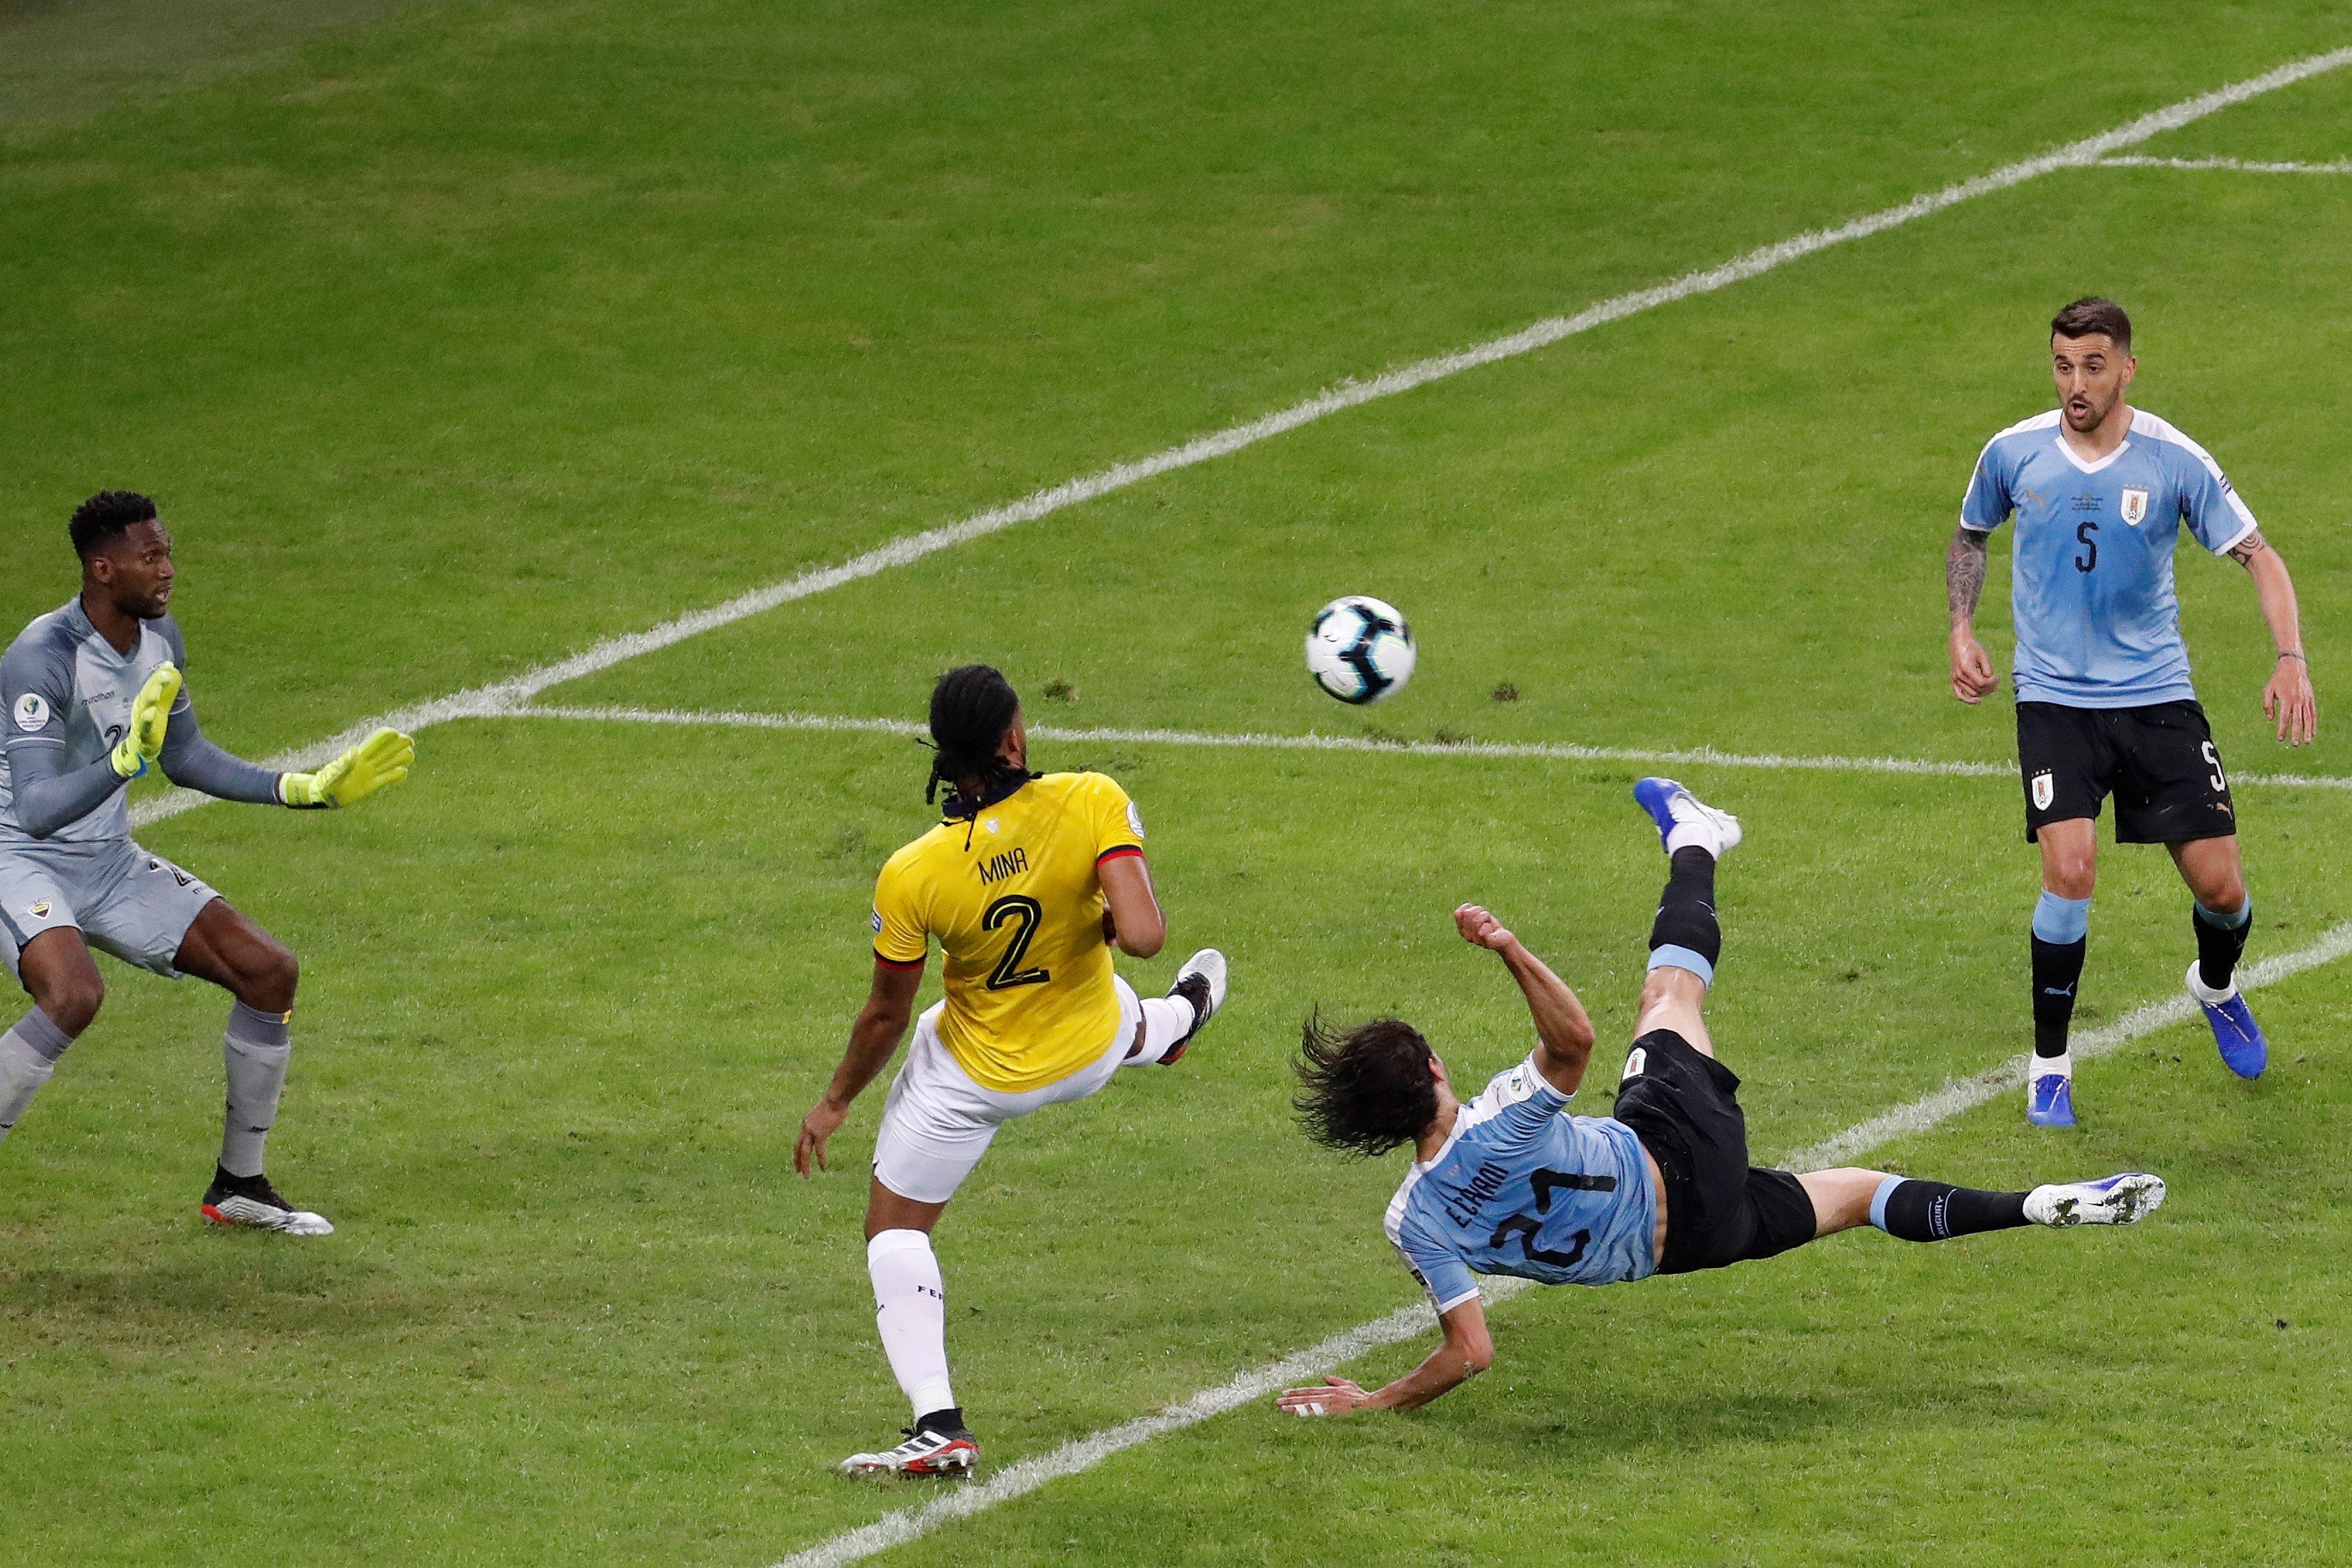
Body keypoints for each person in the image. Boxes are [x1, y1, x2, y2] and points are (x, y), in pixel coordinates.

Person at [1275, 779, 2163, 1418]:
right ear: (1432, 1068)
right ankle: (1694, 836)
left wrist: (1378, 1401)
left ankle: (2037, 1206)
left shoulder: (1412, 1221)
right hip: (1677, 1148)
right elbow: (1573, 1045)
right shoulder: (1499, 1119)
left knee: (1856, 1195)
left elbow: (1472, 1352)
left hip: (1690, 1245)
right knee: (1667, 998)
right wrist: (1508, 947)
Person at [795, 664, 1229, 1476]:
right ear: (1013, 739)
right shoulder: (1090, 798)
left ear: (943, 755)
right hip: (1091, 1044)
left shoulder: (914, 870)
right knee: (1130, 1014)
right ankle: (1179, 1020)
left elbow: (884, 1015)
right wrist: (1098, 909)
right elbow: (1142, 936)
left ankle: (940, 1424)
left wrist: (834, 1101)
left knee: (893, 1231)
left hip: (977, 1079)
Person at [1946, 297, 2317, 1127]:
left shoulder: (2172, 460)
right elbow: (1971, 535)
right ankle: (2049, 1064)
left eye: (2093, 365)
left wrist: (2290, 659)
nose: (2075, 383)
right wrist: (1962, 626)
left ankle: (2214, 985)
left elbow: (2259, 555)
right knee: (2069, 869)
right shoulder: (2013, 452)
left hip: (2155, 697)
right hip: (2054, 701)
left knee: (2223, 891)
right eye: (2062, 365)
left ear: (2126, 368)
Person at [0, 491, 414, 1232]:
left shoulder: (160, 642)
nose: (169, 570)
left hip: (105, 859)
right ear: (102, 568)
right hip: (19, 855)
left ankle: (239, 1185)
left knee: (268, 971)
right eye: (150, 556)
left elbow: (186, 756)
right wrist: (122, 763)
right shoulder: (43, 656)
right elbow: (33, 806)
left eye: (167, 552)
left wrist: (305, 789)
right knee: (73, 994)